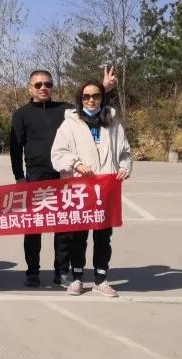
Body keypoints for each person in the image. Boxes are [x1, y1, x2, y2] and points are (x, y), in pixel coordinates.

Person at [11, 67, 117, 287]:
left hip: (66, 176)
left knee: (64, 228)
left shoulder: (66, 110)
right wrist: (19, 177)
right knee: (33, 227)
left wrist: (104, 88)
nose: (43, 88)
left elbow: (91, 106)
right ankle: (32, 272)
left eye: (48, 84)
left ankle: (62, 271)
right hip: (36, 176)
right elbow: (15, 148)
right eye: (38, 85)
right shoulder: (21, 114)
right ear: (30, 88)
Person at [51, 80, 132, 297]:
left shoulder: (113, 123)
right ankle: (77, 278)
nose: (91, 100)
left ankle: (101, 279)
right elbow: (57, 154)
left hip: (106, 188)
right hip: (80, 188)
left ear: (102, 98)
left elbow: (125, 152)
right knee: (78, 236)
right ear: (80, 99)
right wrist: (75, 163)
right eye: (86, 96)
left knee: (103, 236)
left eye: (95, 96)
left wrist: (124, 167)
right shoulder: (70, 124)